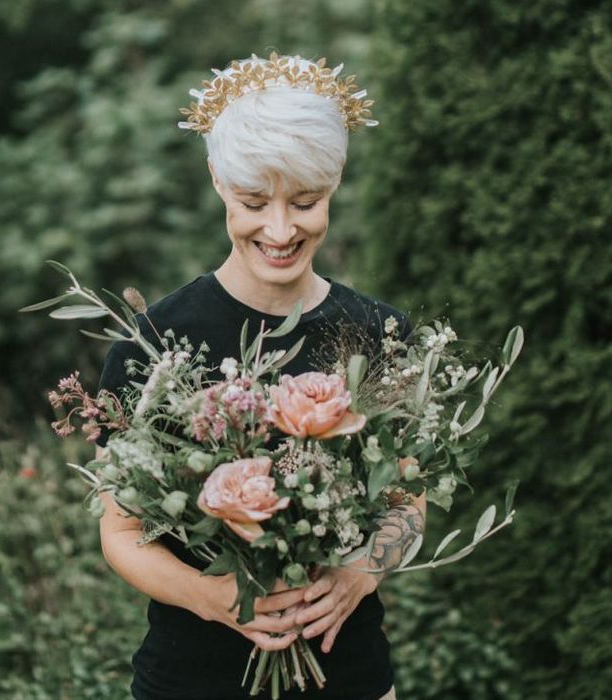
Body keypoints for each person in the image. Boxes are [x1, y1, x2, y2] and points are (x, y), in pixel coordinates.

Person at [94, 52, 426, 700]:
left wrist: (362, 570)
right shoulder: (152, 344)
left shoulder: (381, 334)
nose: (280, 229)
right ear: (218, 180)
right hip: (191, 680)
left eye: (305, 201)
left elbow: (408, 503)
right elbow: (121, 531)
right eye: (254, 201)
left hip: (350, 678)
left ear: (334, 183)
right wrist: (210, 595)